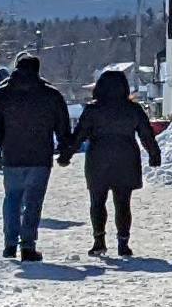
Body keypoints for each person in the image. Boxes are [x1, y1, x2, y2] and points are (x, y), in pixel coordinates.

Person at [58, 70, 162, 257]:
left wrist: (66, 154)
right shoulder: (133, 109)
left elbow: (79, 135)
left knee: (97, 202)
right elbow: (146, 134)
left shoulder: (92, 110)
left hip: (98, 159)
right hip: (126, 158)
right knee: (123, 203)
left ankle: (99, 241)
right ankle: (123, 243)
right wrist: (154, 154)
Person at [0, 55, 71, 262]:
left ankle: (10, 244)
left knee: (12, 198)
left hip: (12, 155)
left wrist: (3, 143)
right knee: (33, 201)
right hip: (40, 157)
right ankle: (28, 246)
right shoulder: (51, 94)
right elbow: (63, 126)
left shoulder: (3, 93)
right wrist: (64, 150)